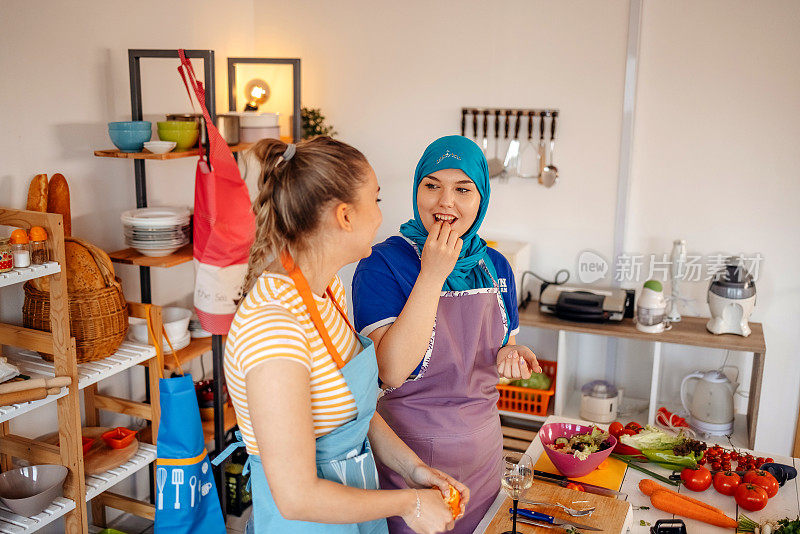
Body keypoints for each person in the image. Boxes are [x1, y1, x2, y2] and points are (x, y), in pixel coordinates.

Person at [220, 137, 469, 533]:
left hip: (356, 514)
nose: (379, 216)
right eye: (377, 200)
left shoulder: (327, 290)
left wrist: (414, 469)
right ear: (345, 216)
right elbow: (296, 496)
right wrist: (410, 504)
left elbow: (355, 412)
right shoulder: (273, 326)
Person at [352, 135, 541, 533]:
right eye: (432, 185)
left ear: (482, 196)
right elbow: (391, 370)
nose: (445, 202)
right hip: (410, 463)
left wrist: (513, 350)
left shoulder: (495, 265)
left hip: (487, 456)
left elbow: (493, 345)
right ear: (416, 188)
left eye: (463, 189)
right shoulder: (381, 264)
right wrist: (433, 273)